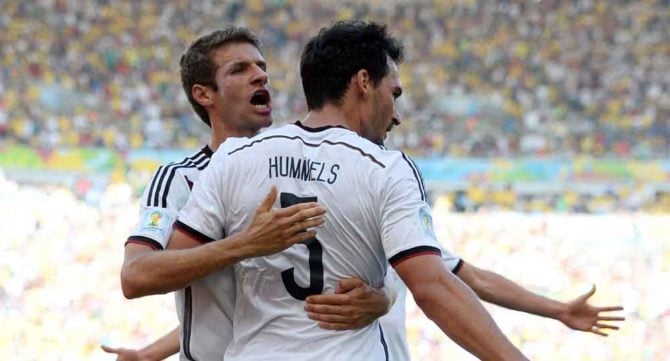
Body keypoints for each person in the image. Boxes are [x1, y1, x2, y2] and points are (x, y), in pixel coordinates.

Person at [168, 20, 529, 360]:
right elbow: (432, 287)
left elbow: (165, 267)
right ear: (363, 82)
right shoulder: (386, 168)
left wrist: (385, 295)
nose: (396, 114)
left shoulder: (235, 157)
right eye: (394, 93)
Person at [103, 26, 393, 361]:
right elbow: (136, 276)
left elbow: (270, 299)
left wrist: (383, 299)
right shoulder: (180, 179)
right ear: (204, 94)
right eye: (240, 70)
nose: (260, 76)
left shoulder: (299, 167)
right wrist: (245, 244)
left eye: (262, 68)